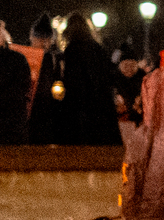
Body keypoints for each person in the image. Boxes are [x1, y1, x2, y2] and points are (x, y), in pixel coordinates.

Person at [53, 10, 123, 145]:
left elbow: (72, 81)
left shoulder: (72, 50)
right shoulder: (98, 48)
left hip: (81, 109)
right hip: (102, 107)